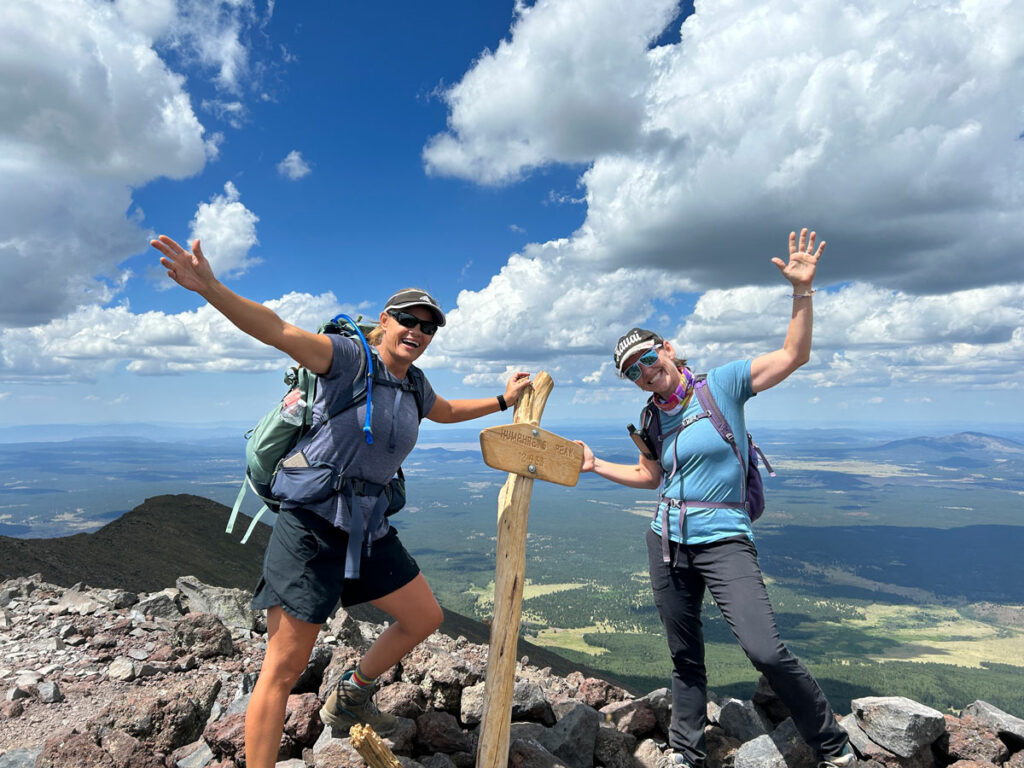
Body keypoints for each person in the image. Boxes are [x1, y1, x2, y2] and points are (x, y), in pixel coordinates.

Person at [151, 235, 532, 768]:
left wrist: (500, 400)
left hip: (368, 529)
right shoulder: (347, 358)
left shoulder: (414, 384)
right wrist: (211, 287)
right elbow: (277, 329)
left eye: (429, 327)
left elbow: (442, 410)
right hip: (309, 529)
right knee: (282, 670)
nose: (418, 332)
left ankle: (350, 695)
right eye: (409, 321)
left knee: (423, 617)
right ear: (386, 319)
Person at [574, 229, 854, 768]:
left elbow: (794, 355)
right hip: (666, 542)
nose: (644, 370)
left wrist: (803, 290)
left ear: (669, 349)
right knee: (685, 655)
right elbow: (651, 475)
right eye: (632, 370)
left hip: (724, 538)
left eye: (648, 356)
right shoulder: (653, 418)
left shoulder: (721, 385)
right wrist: (594, 466)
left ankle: (832, 745)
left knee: (765, 649)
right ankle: (686, 751)